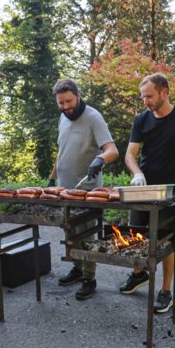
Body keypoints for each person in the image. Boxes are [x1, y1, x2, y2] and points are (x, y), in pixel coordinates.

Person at [120, 72, 175, 314]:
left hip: (168, 190)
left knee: (166, 241)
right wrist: (137, 173)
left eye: (149, 96)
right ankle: (139, 274)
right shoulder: (141, 120)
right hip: (143, 189)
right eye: (142, 96)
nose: (145, 101)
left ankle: (166, 290)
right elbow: (130, 155)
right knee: (136, 235)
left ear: (164, 92)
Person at [47, 79, 118, 300]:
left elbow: (112, 150)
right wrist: (52, 180)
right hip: (65, 190)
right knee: (70, 231)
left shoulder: (93, 117)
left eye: (69, 101)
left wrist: (100, 159)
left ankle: (89, 278)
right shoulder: (63, 118)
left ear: (78, 95)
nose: (65, 107)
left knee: (87, 235)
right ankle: (77, 268)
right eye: (61, 103)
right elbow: (62, 152)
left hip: (88, 190)